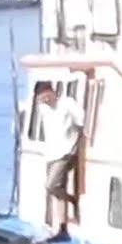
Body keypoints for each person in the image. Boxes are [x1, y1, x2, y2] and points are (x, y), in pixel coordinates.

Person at [34, 81, 84, 210]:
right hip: (51, 154)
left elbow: (81, 122)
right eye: (41, 97)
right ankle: (62, 225)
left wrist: (78, 142)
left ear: (52, 92)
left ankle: (73, 200)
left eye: (46, 95)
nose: (45, 99)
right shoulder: (43, 108)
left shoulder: (67, 103)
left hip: (66, 152)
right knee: (57, 190)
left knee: (50, 185)